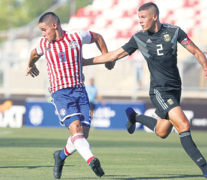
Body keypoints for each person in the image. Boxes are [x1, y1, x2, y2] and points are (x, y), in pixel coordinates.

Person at [82, 2, 207, 178]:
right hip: (159, 90)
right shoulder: (138, 38)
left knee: (162, 132)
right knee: (184, 124)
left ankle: (135, 117)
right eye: (138, 17)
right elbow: (114, 55)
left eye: (143, 17)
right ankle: (205, 168)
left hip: (175, 89)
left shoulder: (174, 31)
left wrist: (205, 65)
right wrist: (83, 61)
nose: (139, 21)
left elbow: (195, 51)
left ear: (154, 17)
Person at [25, 12, 111, 179]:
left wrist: (107, 58)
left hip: (80, 90)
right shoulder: (44, 43)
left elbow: (98, 37)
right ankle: (91, 160)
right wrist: (30, 65)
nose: (43, 34)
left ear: (54, 26)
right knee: (76, 129)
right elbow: (34, 53)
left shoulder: (77, 36)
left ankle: (60, 156)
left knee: (82, 135)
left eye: (44, 29)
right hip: (60, 93)